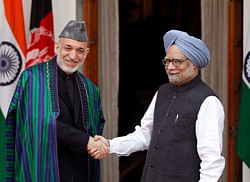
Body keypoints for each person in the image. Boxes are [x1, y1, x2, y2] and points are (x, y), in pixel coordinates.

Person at [89, 30, 225, 182]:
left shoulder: (208, 102)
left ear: (194, 64)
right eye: (167, 61)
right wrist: (110, 145)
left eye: (177, 61)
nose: (170, 67)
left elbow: (211, 162)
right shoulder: (163, 91)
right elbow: (144, 135)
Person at [4, 20, 108, 182]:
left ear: (87, 53)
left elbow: (96, 126)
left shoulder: (91, 89)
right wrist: (85, 141)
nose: (73, 56)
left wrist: (98, 144)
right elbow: (40, 122)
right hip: (42, 171)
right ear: (56, 47)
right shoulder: (33, 78)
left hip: (80, 174)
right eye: (68, 48)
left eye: (80, 50)